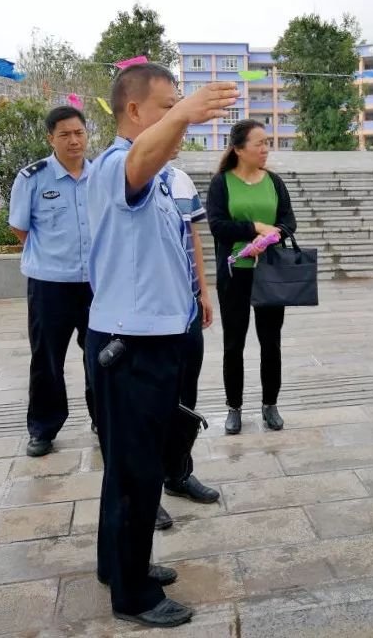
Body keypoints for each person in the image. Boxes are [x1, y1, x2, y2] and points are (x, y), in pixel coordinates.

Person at [85, 62, 238, 627]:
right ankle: (134, 597)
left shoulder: (163, 178)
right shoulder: (115, 166)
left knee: (132, 466)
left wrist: (197, 300)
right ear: (133, 111)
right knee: (136, 471)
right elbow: (138, 162)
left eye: (179, 106)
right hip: (131, 344)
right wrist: (187, 113)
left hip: (158, 338)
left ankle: (119, 565)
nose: (180, 118)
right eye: (167, 107)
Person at [8, 105, 95, 458]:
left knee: (102, 355)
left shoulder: (101, 174)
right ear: (51, 138)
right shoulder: (32, 178)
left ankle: (104, 418)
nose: (74, 141)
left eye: (79, 133)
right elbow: (20, 228)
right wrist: (52, 256)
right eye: (65, 135)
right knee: (47, 358)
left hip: (96, 284)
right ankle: (43, 429)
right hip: (50, 285)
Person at [206, 119, 296, 435]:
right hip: (235, 275)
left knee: (271, 342)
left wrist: (271, 237)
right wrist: (254, 228)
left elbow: (288, 222)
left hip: (270, 272)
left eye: (266, 143)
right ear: (239, 149)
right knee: (234, 343)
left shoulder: (275, 182)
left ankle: (270, 404)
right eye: (259, 143)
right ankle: (234, 407)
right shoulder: (221, 184)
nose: (265, 149)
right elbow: (217, 226)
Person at [153, 153, 220, 532]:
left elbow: (193, 236)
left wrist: (203, 292)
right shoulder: (126, 175)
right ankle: (146, 494)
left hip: (187, 306)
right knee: (149, 404)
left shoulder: (181, 180)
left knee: (185, 397)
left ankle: (178, 474)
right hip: (150, 313)